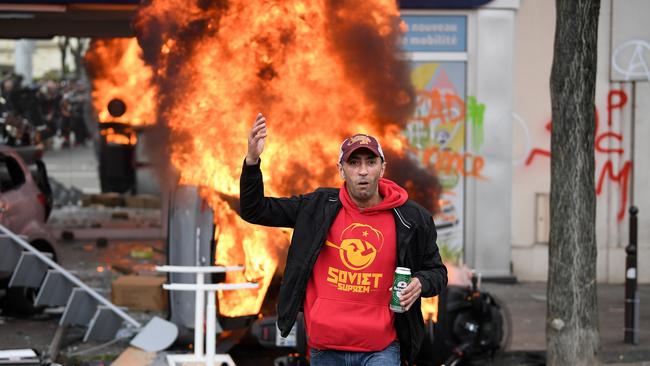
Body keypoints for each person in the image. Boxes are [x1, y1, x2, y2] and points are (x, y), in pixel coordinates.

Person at [239, 113, 447, 365]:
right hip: (325, 348)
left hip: (380, 350)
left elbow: (437, 272)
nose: (362, 171)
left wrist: (420, 283)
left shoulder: (411, 218)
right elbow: (255, 210)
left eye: (370, 163)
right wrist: (252, 161)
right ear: (341, 169)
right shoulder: (317, 207)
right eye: (354, 163)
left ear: (382, 168)